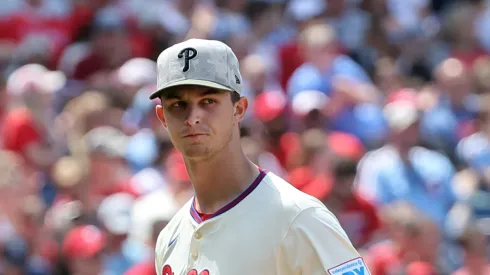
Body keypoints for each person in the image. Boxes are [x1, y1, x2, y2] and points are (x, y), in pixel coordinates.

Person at [149, 38, 369, 275]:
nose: (193, 117)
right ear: (162, 117)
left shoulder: (298, 218)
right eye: (178, 104)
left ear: (239, 109)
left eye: (208, 101)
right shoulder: (170, 236)